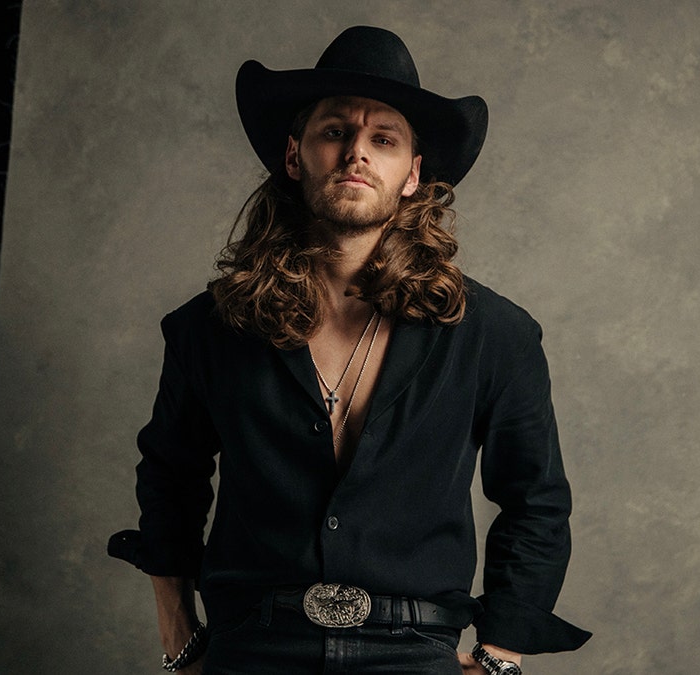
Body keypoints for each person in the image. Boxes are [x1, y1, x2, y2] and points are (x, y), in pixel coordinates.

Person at [109, 25, 590, 675]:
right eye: (335, 131)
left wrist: (500, 654)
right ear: (293, 155)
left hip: (412, 647)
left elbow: (537, 500)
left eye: (383, 139)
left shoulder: (493, 336)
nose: (356, 152)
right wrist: (179, 636)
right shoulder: (211, 328)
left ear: (413, 173)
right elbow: (171, 478)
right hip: (253, 643)